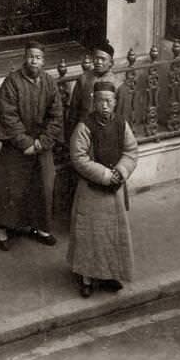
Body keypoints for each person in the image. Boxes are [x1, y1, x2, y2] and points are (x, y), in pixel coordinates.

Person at [68, 81, 138, 297]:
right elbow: (79, 158)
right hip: (91, 190)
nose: (105, 105)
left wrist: (120, 171)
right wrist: (106, 175)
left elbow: (131, 150)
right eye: (100, 101)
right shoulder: (84, 127)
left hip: (114, 190)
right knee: (89, 235)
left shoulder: (121, 124)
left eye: (109, 101)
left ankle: (109, 274)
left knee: (111, 234)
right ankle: (86, 277)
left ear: (115, 103)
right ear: (94, 102)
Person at [0, 43, 64, 251]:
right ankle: (3, 229)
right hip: (17, 145)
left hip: (41, 144)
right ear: (25, 58)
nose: (34, 61)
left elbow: (57, 114)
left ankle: (40, 227)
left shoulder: (49, 82)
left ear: (44, 60)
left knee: (45, 184)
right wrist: (25, 142)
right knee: (11, 188)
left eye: (38, 57)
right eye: (31, 57)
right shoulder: (12, 82)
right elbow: (8, 116)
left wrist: (43, 141)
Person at [67, 41, 130, 128]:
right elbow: (74, 110)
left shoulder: (119, 86)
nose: (98, 62)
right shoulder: (84, 79)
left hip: (106, 131)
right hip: (84, 129)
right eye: (96, 58)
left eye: (102, 59)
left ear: (111, 63)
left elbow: (121, 119)